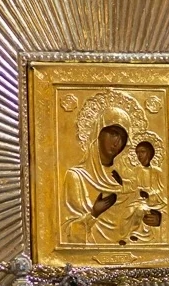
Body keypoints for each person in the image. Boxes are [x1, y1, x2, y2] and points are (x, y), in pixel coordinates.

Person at [62, 93, 147, 245]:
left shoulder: (123, 179)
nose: (117, 142)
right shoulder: (76, 177)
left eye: (122, 138)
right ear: (98, 132)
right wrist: (94, 213)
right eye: (113, 133)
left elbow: (138, 223)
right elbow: (66, 232)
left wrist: (144, 214)